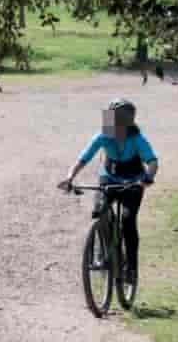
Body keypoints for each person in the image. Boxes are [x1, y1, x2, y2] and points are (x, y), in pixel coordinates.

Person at [58, 98, 158, 284]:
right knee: (99, 210)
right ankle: (102, 251)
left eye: (117, 119)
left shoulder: (137, 139)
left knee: (127, 220)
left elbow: (152, 162)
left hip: (134, 182)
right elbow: (84, 158)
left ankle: (132, 269)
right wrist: (70, 177)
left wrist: (147, 178)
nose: (111, 123)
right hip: (109, 177)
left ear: (127, 122)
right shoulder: (103, 136)